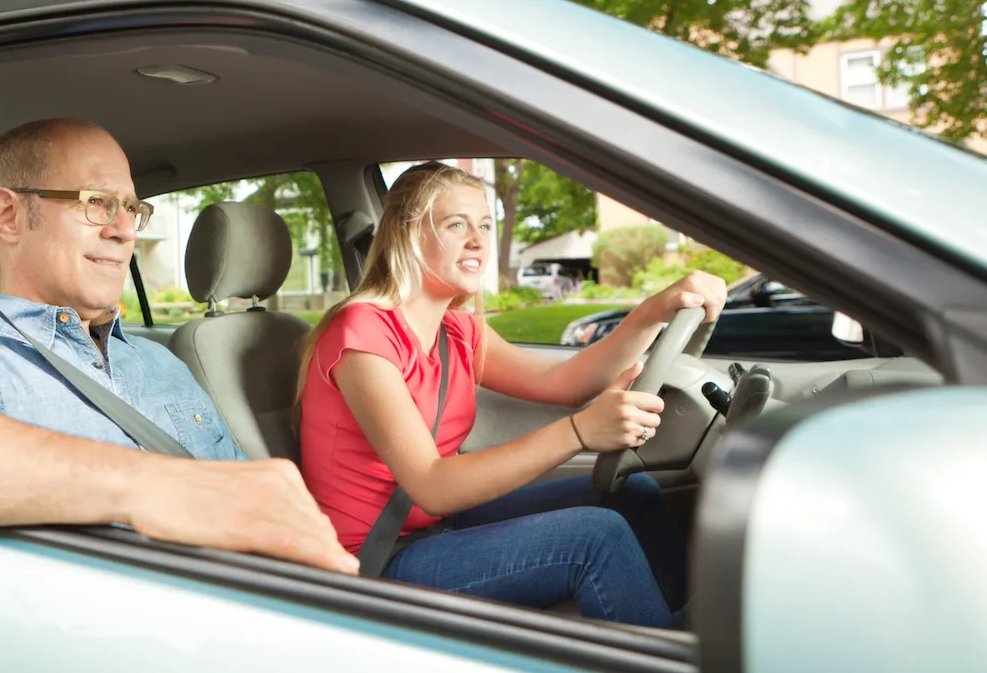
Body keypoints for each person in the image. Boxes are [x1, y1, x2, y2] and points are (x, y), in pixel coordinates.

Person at [0, 118, 358, 575]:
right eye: (97, 202)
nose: (124, 230)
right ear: (9, 215)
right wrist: (154, 486)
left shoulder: (160, 361)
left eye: (133, 209)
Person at [297, 162, 727, 627]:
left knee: (633, 494)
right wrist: (582, 431)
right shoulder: (362, 335)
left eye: (484, 225)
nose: (479, 241)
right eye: (456, 224)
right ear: (407, 234)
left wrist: (652, 311)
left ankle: (682, 636)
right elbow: (433, 485)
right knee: (593, 538)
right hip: (373, 562)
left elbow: (567, 383)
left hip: (436, 526)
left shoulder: (457, 330)